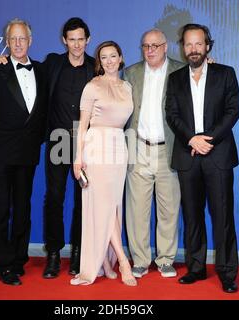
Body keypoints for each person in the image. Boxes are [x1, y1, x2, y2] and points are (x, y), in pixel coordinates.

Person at [0, 17, 94, 278]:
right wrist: (1, 60)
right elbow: (19, 67)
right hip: (59, 138)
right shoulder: (51, 64)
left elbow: (118, 77)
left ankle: (78, 253)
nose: (76, 44)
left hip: (88, 142)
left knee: (84, 200)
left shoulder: (97, 68)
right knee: (55, 197)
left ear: (88, 40)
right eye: (71, 39)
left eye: (80, 39)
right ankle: (53, 253)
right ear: (64, 40)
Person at [166, 23, 239, 293]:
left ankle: (228, 273)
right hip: (188, 155)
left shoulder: (225, 74)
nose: (193, 49)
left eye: (198, 43)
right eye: (188, 44)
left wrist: (207, 139)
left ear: (208, 45)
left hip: (217, 155)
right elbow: (171, 114)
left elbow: (233, 111)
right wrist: (191, 139)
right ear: (183, 48)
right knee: (192, 216)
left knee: (223, 217)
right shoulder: (175, 79)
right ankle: (195, 268)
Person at [0, 18, 47, 285]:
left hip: (27, 154)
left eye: (22, 38)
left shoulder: (41, 70)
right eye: (13, 39)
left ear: (30, 41)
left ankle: (18, 258)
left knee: (23, 210)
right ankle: (4, 263)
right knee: (0, 209)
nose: (18, 43)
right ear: (7, 42)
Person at [71, 41, 136, 286]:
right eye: (104, 57)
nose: (109, 61)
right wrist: (78, 157)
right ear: (100, 61)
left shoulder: (128, 86)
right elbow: (82, 124)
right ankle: (122, 260)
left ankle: (106, 261)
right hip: (96, 146)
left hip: (119, 147)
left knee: (113, 206)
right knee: (103, 206)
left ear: (120, 58)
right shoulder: (92, 86)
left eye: (113, 56)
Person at [122, 29, 184, 279]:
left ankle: (166, 259)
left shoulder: (181, 71)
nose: (150, 50)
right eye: (146, 46)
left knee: (169, 209)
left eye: (155, 46)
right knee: (136, 210)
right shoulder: (131, 73)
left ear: (165, 46)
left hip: (168, 150)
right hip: (138, 148)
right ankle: (140, 260)